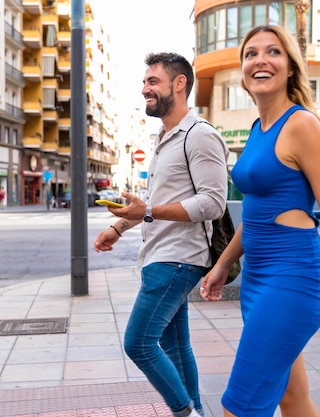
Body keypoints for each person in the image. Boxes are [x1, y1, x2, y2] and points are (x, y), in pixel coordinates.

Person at [199, 25, 320, 417]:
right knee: (293, 399)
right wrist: (222, 265)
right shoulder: (257, 130)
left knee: (238, 408)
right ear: (243, 71)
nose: (260, 60)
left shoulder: (301, 125)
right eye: (251, 54)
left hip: (292, 280)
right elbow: (257, 214)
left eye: (273, 52)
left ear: (290, 67)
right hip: (256, 279)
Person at [93, 52, 229, 417]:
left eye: (152, 82)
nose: (144, 89)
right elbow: (154, 201)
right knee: (174, 345)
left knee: (138, 342)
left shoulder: (199, 136)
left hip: (178, 258)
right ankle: (196, 411)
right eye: (144, 82)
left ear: (179, 83)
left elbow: (213, 203)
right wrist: (119, 227)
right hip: (161, 256)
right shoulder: (165, 137)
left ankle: (185, 413)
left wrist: (147, 211)